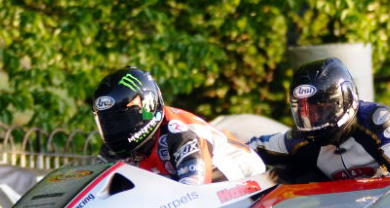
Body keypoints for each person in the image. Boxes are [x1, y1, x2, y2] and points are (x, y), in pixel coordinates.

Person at [248, 57, 390, 182]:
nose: (312, 118)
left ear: (343, 101)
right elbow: (249, 148)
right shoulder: (297, 139)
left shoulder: (377, 121)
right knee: (292, 174)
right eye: (304, 109)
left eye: (321, 108)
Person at [92, 67, 266, 185]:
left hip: (246, 178)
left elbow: (194, 194)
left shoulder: (181, 133)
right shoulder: (111, 150)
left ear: (147, 107)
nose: (115, 130)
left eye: (122, 120)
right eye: (108, 123)